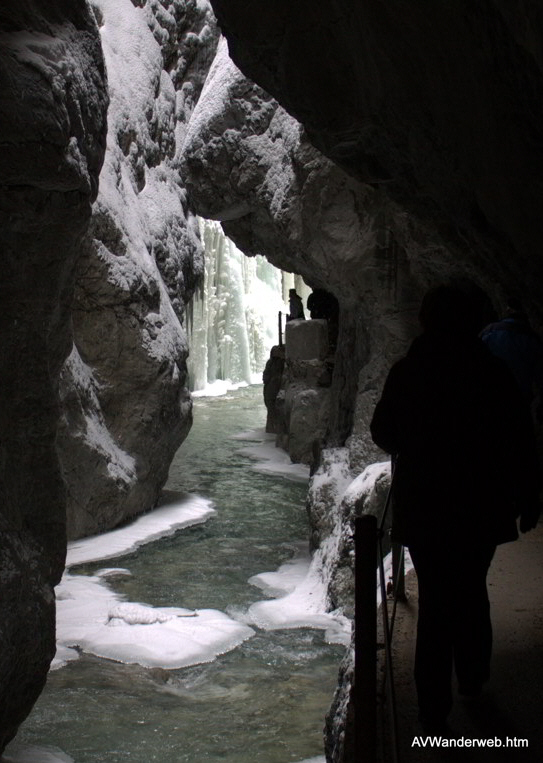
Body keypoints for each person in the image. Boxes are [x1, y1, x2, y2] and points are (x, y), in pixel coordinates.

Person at [370, 284, 541, 732]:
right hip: (480, 502)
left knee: (437, 601)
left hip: (426, 503)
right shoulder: (492, 371)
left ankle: (432, 706)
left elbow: (383, 432)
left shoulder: (409, 371)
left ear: (426, 320)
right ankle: (472, 677)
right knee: (470, 589)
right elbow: (520, 439)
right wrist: (529, 497)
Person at [481, 296, 543, 415]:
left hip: (490, 393)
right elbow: (540, 372)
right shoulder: (530, 338)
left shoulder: (489, 331)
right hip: (519, 396)